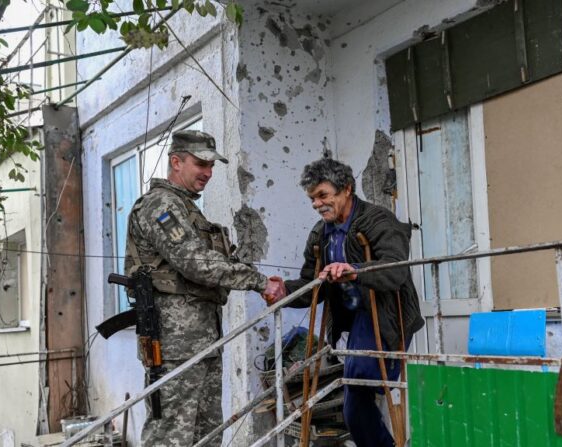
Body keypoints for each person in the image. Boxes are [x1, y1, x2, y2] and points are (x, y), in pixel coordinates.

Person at [124, 130, 284, 446]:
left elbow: (210, 259)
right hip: (174, 346)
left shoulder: (186, 208)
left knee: (207, 436)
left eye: (211, 166)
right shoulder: (161, 206)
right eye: (201, 164)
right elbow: (194, 262)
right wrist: (258, 282)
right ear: (176, 162)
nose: (208, 173)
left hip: (203, 342)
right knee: (171, 437)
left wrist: (254, 274)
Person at [263, 158, 424, 447]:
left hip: (384, 316)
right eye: (312, 198)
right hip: (351, 325)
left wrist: (354, 271)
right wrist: (283, 291)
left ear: (346, 189)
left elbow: (395, 270)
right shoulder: (320, 234)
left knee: (360, 387)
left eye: (323, 195)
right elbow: (314, 287)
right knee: (356, 402)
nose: (316, 204)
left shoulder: (378, 220)